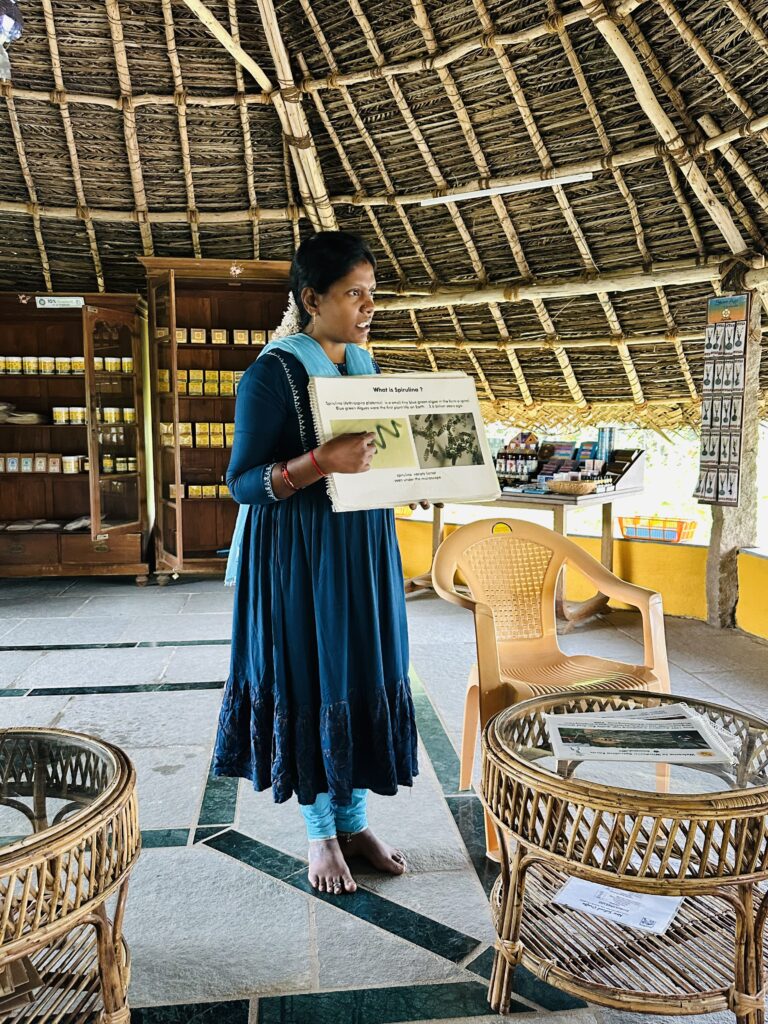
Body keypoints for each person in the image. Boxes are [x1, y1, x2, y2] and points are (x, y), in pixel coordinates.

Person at [213, 231, 419, 896]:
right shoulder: (272, 374)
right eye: (354, 294)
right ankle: (319, 832)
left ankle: (355, 822)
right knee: (311, 679)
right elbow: (242, 482)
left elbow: (381, 459)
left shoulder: (366, 368)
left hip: (364, 551)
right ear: (312, 298)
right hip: (298, 560)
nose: (368, 307)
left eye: (372, 294)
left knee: (362, 673)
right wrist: (317, 463)